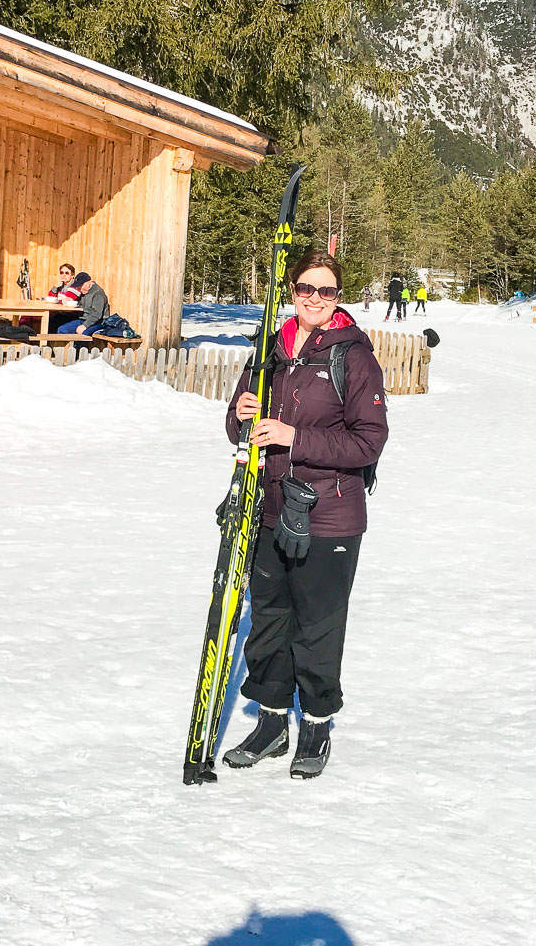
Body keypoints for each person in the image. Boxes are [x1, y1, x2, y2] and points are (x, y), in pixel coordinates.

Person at [221, 249, 388, 780]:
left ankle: (316, 723)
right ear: (291, 291)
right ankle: (271, 723)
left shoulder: (352, 356)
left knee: (316, 624)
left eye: (327, 291)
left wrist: (296, 438)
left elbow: (370, 442)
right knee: (269, 620)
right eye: (306, 289)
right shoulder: (270, 347)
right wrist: (242, 413)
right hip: (268, 507)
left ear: (339, 298)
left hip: (329, 514)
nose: (315, 299)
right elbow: (235, 421)